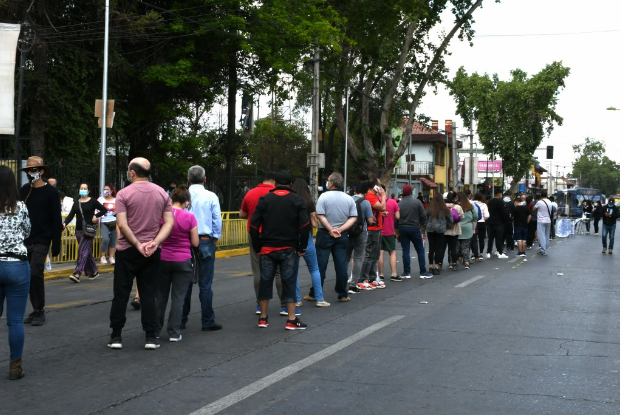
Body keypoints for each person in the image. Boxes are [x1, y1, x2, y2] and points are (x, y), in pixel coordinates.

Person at [108, 157, 174, 350]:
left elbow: (121, 224)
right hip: (152, 251)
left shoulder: (123, 194)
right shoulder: (162, 192)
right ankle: (151, 337)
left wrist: (137, 244)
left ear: (132, 173)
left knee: (120, 294)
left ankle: (116, 336)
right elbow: (169, 222)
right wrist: (155, 242)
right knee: (149, 294)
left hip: (127, 250)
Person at [250, 171, 310, 329]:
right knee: (288, 282)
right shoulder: (297, 200)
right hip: (289, 248)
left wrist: (257, 246)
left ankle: (263, 318)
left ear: (275, 183)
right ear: (290, 184)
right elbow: (305, 226)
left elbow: (254, 225)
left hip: (267, 248)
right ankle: (291, 320)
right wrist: (302, 246)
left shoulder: (265, 199)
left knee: (265, 282)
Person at [19, 156, 62, 326]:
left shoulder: (51, 193)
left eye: (34, 170)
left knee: (36, 272)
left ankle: (40, 310)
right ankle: (35, 309)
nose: (31, 173)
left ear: (42, 171)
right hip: (23, 240)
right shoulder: (23, 191)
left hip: (41, 239)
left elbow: (56, 220)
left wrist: (56, 243)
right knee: (27, 275)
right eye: (29, 170)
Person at [181, 165, 223, 332]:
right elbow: (216, 219)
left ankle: (181, 320)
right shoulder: (210, 196)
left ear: (188, 179)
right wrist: (214, 238)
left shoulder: (182, 195)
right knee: (206, 284)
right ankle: (207, 321)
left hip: (185, 242)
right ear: (205, 179)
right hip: (205, 240)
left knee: (185, 283)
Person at [239, 172, 288, 315]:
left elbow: (242, 214)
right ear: (274, 181)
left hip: (254, 234)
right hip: (275, 234)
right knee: (279, 270)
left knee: (258, 269)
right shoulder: (277, 193)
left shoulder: (251, 193)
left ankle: (260, 304)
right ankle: (285, 305)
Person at [155, 186, 199, 342]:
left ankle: (155, 330)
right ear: (186, 201)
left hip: (163, 259)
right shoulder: (189, 218)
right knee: (178, 298)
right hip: (183, 261)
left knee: (160, 297)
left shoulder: (161, 216)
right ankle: (174, 332)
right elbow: (195, 242)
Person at [0, 166, 31, 380]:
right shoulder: (20, 207)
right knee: (15, 320)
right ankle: (15, 366)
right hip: (17, 265)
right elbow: (27, 231)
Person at [315, 172, 357, 302]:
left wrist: (330, 229)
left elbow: (320, 215)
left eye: (328, 180)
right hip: (342, 235)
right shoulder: (349, 198)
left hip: (324, 234)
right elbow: (353, 217)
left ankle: (316, 292)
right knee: (341, 265)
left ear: (331, 183)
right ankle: (343, 293)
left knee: (321, 265)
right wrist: (340, 229)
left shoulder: (323, 197)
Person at [290, 179, 329, 307]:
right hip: (307, 238)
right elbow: (314, 224)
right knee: (314, 269)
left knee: (293, 270)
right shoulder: (309, 203)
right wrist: (313, 217)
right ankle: (319, 298)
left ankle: (296, 299)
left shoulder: (290, 201)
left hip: (293, 239)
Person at [63, 183, 107, 282]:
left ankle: (77, 273)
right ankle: (94, 271)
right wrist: (65, 223)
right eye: (81, 188)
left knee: (82, 251)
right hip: (79, 230)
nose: (83, 190)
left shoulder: (93, 201)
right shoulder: (76, 202)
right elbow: (71, 215)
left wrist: (96, 216)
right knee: (87, 251)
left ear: (88, 191)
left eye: (85, 188)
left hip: (89, 230)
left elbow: (104, 209)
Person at [345, 181, 374, 293]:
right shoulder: (366, 203)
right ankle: (353, 285)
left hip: (347, 231)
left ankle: (342, 282)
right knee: (357, 258)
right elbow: (370, 220)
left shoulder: (348, 199)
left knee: (346, 257)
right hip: (361, 233)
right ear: (366, 192)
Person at [399, 185, 433, 278]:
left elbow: (396, 219)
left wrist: (397, 232)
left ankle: (406, 272)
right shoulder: (417, 202)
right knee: (420, 250)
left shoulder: (399, 204)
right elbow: (423, 216)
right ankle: (423, 271)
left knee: (405, 250)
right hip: (414, 227)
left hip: (402, 227)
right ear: (411, 193)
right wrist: (422, 227)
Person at [359, 178, 387, 289]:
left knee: (375, 255)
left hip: (377, 228)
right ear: (374, 186)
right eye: (379, 185)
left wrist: (382, 213)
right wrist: (383, 196)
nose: (380, 188)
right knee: (370, 254)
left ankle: (372, 278)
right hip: (372, 229)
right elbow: (382, 206)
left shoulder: (374, 197)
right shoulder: (370, 196)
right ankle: (363, 278)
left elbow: (379, 209)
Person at [425, 193, 451, 275]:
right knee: (439, 249)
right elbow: (451, 220)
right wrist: (445, 225)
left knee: (431, 248)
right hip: (440, 230)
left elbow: (425, 219)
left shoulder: (429, 209)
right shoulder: (445, 209)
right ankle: (437, 266)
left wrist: (424, 229)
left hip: (430, 229)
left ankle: (430, 266)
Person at [378, 184, 400, 281]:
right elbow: (398, 216)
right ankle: (394, 274)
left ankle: (381, 274)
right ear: (385, 192)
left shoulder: (375, 202)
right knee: (392, 252)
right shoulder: (393, 202)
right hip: (389, 231)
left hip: (377, 230)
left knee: (380, 252)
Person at [456, 192, 478, 269]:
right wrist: (473, 229)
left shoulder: (456, 206)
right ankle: (466, 262)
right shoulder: (470, 206)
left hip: (457, 227)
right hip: (468, 228)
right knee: (465, 247)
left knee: (456, 246)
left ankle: (453, 262)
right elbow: (475, 217)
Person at [98, 184, 118, 264]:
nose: (105, 191)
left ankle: (111, 257)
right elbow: (96, 209)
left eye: (107, 189)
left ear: (111, 191)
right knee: (105, 239)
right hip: (104, 222)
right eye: (104, 189)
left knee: (113, 240)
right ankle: (102, 256)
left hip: (114, 222)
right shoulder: (100, 200)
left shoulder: (116, 200)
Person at [444, 191, 464, 271]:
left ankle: (439, 264)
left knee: (442, 247)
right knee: (453, 247)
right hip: (454, 229)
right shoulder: (457, 207)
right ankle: (454, 263)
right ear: (455, 198)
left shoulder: (443, 206)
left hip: (444, 229)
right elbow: (462, 217)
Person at [485, 190, 508, 258]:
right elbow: (504, 213)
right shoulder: (501, 202)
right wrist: (504, 221)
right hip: (499, 223)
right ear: (499, 194)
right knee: (499, 238)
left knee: (490, 238)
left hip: (490, 222)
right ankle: (499, 252)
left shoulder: (489, 202)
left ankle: (488, 252)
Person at [532, 190, 553, 256]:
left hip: (541, 220)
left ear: (541, 195)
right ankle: (546, 247)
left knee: (541, 235)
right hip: (548, 220)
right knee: (547, 235)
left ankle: (543, 250)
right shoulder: (550, 202)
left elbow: (533, 209)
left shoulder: (540, 202)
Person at [473, 193, 489, 261]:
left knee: (473, 239)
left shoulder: (471, 203)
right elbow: (487, 215)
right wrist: (484, 219)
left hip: (474, 222)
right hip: (482, 222)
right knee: (481, 239)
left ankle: (473, 253)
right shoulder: (484, 205)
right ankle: (481, 253)